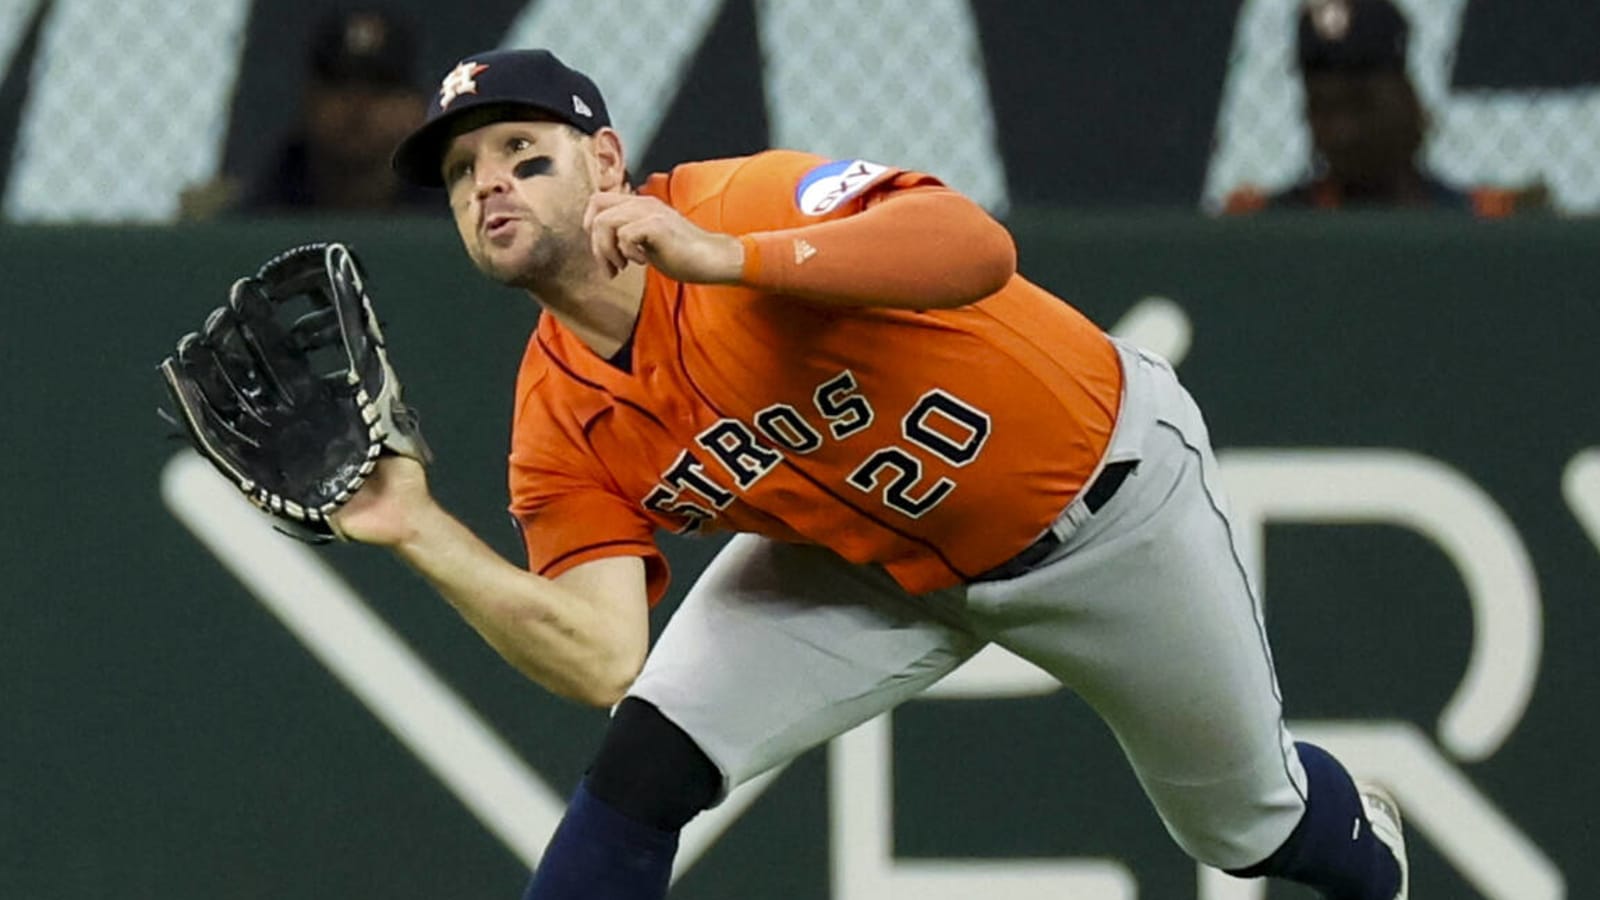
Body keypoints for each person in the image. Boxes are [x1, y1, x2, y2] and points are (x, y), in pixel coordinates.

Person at [336, 48, 1409, 899]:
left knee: (1247, 827)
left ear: (607, 164)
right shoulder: (555, 416)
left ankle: (1370, 854)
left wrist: (735, 259)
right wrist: (419, 528)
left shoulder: (735, 202)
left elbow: (970, 244)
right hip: (864, 565)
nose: (489, 184)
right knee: (641, 767)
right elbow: (600, 655)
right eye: (462, 174)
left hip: (1104, 512)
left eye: (522, 149)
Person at [1225, 0, 1523, 216]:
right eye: (1322, 109)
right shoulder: (1269, 228)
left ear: (1408, 101)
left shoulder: (1484, 222)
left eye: (1360, 104)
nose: (1342, 132)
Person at [187, 8, 438, 217]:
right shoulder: (263, 213)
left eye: (382, 88)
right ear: (308, 101)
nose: (358, 105)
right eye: (339, 85)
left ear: (417, 107)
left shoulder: (452, 216)